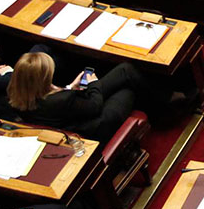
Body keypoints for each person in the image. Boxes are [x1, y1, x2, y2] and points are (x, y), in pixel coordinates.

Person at [8, 49, 144, 142]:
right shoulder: (62, 99)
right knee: (127, 90)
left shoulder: (16, 96)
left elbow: (56, 100)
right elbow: (95, 106)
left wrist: (69, 87)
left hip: (71, 114)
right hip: (95, 125)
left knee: (125, 70)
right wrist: (93, 83)